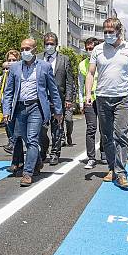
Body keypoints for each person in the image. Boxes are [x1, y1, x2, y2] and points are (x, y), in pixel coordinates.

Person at [85, 17, 128, 189]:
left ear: (119, 31)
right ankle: (112, 168)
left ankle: (121, 173)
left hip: (122, 98)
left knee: (121, 135)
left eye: (111, 32)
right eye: (105, 32)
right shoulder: (97, 49)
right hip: (102, 98)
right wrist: (88, 93)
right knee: (107, 136)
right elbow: (90, 73)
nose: (107, 35)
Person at [3, 38, 63, 186]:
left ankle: (28, 173)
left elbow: (53, 90)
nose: (24, 52)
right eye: (22, 49)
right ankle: (37, 162)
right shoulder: (15, 67)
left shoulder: (45, 66)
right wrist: (6, 110)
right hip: (19, 109)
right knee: (25, 139)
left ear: (35, 49)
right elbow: (8, 91)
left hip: (36, 107)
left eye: (27, 49)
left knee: (32, 139)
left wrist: (58, 110)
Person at [37, 32, 74, 166]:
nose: (49, 46)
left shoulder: (64, 59)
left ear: (56, 45)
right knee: (40, 128)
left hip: (58, 98)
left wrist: (69, 99)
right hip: (41, 99)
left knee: (57, 128)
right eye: (47, 43)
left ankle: (55, 153)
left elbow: (69, 81)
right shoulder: (37, 58)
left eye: (51, 44)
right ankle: (44, 148)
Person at [78, 37, 106, 169]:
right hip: (89, 100)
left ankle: (104, 154)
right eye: (87, 48)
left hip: (102, 99)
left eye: (91, 48)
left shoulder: (104, 61)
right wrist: (81, 102)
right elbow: (80, 84)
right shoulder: (82, 64)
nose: (89, 51)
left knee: (104, 128)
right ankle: (91, 158)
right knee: (91, 129)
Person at [0, 50, 19, 154]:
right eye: (9, 60)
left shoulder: (20, 74)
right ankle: (12, 143)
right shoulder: (3, 77)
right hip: (6, 104)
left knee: (16, 126)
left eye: (14, 60)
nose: (11, 63)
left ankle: (16, 144)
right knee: (8, 125)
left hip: (17, 104)